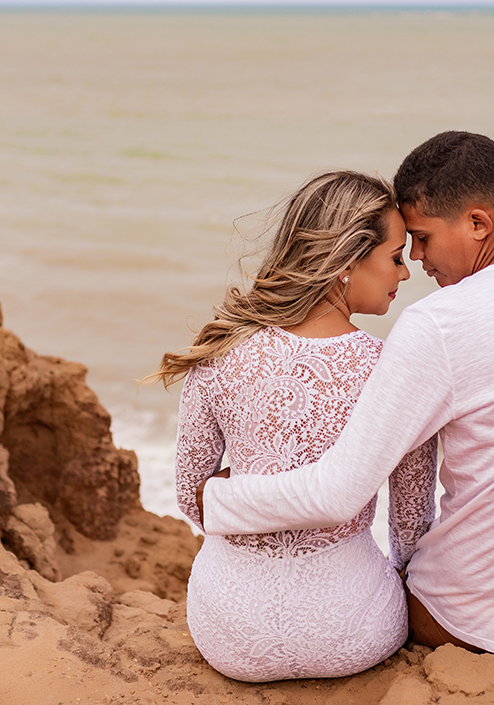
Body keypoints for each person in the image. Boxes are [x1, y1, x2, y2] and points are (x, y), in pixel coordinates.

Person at [199, 131, 494, 654]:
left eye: (421, 236)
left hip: (461, 624)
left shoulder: (439, 324)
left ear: (478, 223)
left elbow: (338, 492)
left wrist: (215, 498)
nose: (415, 258)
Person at [150, 170, 438, 683]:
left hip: (231, 635)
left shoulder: (221, 351)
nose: (406, 273)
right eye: (396, 258)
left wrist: (231, 493)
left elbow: (192, 500)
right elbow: (410, 525)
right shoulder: (390, 369)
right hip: (353, 630)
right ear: (348, 262)